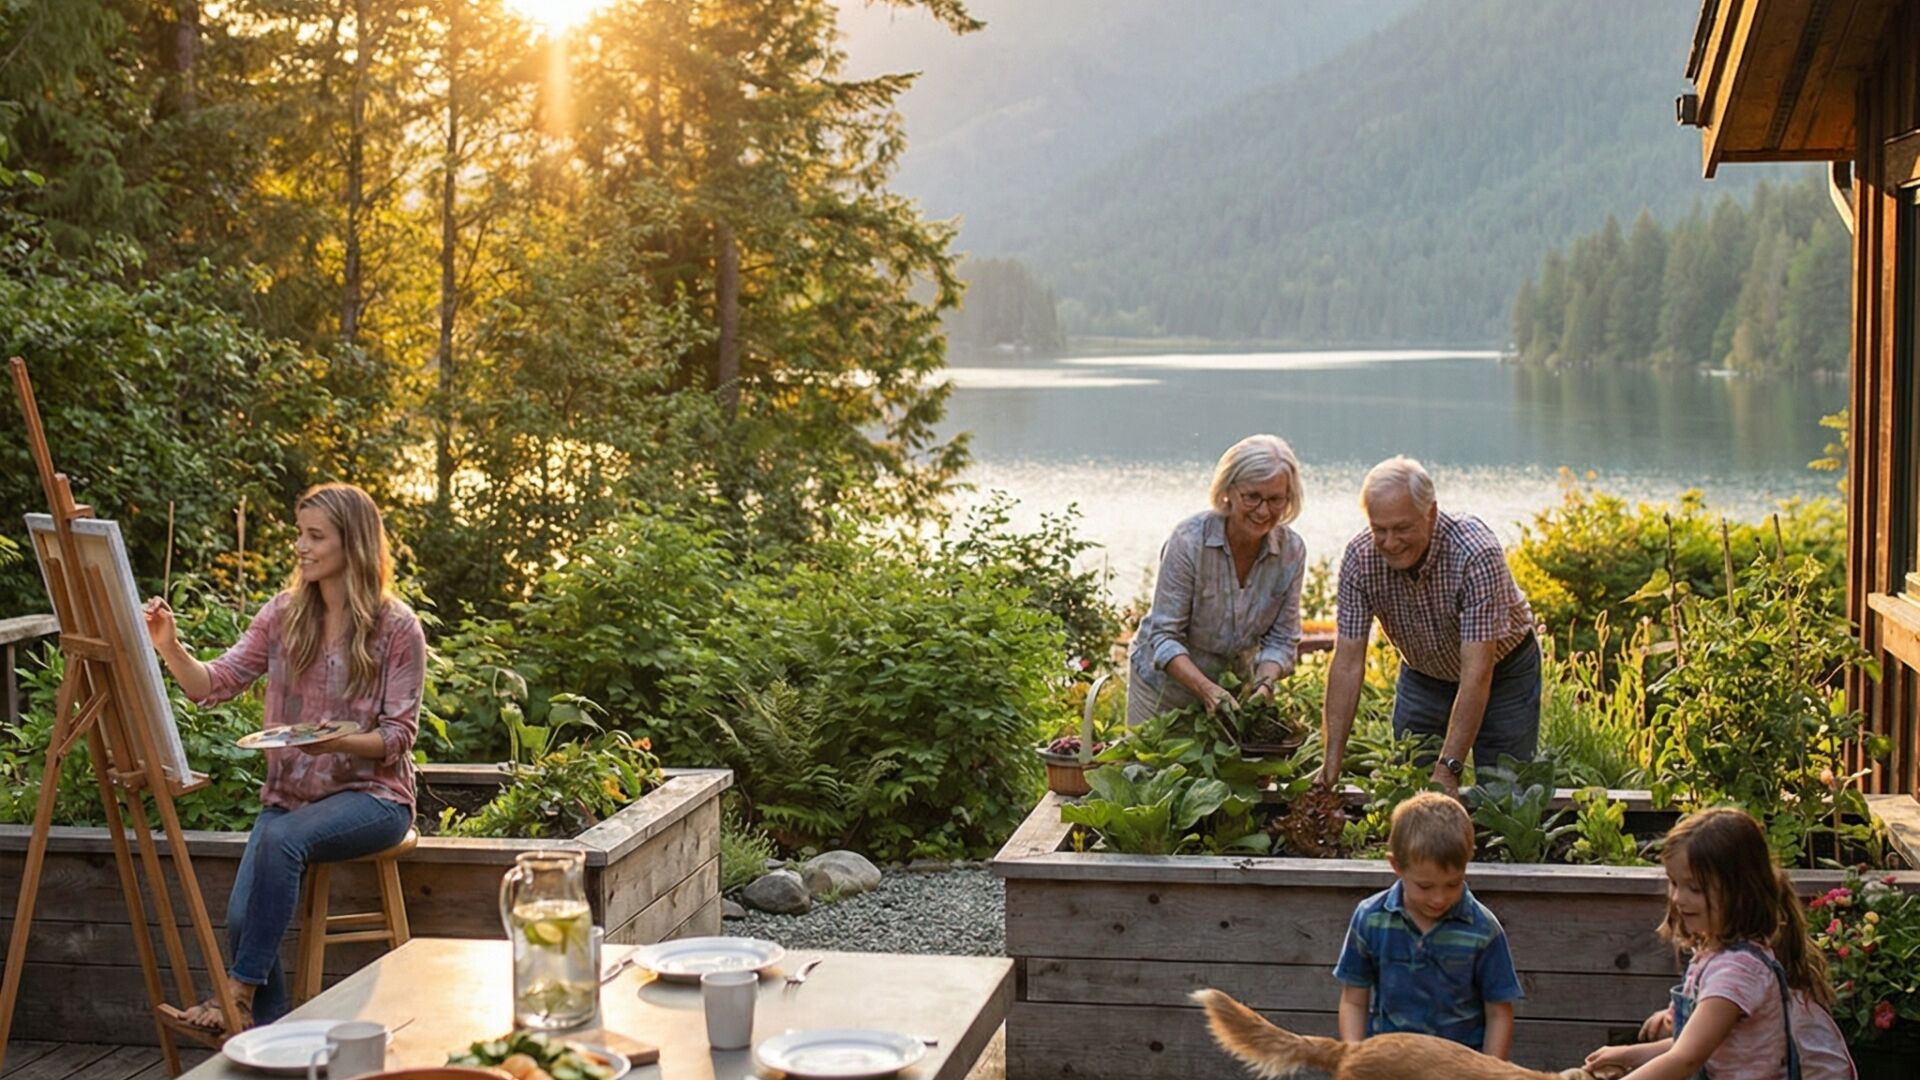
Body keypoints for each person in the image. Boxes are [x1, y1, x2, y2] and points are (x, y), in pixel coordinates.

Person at [142, 483, 424, 1033]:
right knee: (242, 918)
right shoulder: (284, 614)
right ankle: (272, 1036)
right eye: (300, 533)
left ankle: (237, 995)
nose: (301, 546)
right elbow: (212, 683)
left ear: (353, 543)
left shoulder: (397, 628)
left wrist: (336, 742)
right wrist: (168, 646)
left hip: (374, 799)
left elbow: (397, 738)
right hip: (291, 799)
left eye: (315, 536)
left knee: (281, 840)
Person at [1318, 456, 1538, 795]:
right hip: (1423, 673)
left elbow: (1476, 672)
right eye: (1379, 530)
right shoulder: (1360, 558)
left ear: (1430, 513)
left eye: (1402, 529)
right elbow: (1347, 663)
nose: (1390, 542)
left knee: (1505, 792)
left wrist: (1449, 768)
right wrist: (1330, 767)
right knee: (1412, 785)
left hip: (1503, 672)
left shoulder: (1475, 553)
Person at [1584, 807, 1855, 1079]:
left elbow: (1686, 1059)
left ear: (1740, 893)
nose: (1678, 898)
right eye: (1674, 883)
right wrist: (1628, 1054)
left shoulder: (1737, 970)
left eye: (1695, 888)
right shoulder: (1717, 956)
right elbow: (1704, 1047)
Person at [1127, 434, 1308, 726]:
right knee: (1148, 757)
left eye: (1275, 499)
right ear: (1228, 491)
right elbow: (1164, 637)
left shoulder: (1291, 551)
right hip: (1162, 689)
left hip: (1231, 693)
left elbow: (1282, 639)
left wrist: (1264, 684)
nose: (1263, 511)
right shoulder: (1189, 542)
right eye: (1252, 497)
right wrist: (1206, 689)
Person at [1332, 791, 1524, 1058]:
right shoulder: (1370, 918)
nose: (1439, 898)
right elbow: (1354, 1000)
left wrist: (1490, 1072)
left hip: (1458, 1068)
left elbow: (1498, 1013)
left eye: (1452, 884)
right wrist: (1355, 1056)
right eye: (1425, 886)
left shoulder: (1483, 929)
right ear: (1396, 866)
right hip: (1391, 1065)